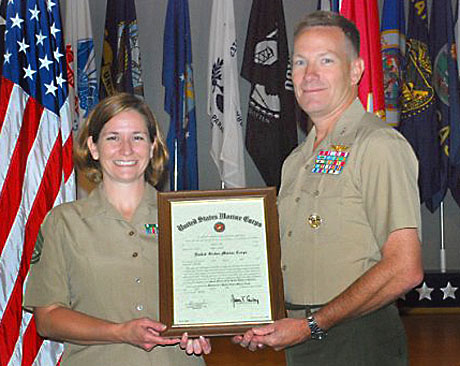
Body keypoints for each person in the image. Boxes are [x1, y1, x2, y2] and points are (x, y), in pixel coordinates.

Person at [233, 10, 423, 366]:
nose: (310, 75)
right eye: (300, 62)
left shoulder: (377, 145)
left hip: (357, 339)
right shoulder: (296, 161)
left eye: (326, 60)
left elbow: (405, 268)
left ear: (356, 71)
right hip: (303, 337)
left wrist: (311, 325)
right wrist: (252, 316)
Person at [24, 93, 211, 366]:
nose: (126, 149)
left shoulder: (187, 218)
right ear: (94, 147)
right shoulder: (63, 222)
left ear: (152, 146)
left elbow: (214, 299)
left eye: (137, 137)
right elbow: (48, 318)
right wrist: (120, 332)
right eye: (113, 137)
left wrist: (202, 329)